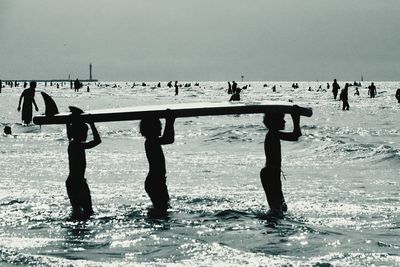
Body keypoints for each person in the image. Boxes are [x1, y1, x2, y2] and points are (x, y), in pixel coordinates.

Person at [261, 109, 302, 217]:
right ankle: (271, 229)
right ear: (275, 122)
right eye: (282, 119)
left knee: (281, 208)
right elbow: (296, 135)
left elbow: (296, 136)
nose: (284, 122)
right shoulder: (272, 134)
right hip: (270, 173)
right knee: (277, 210)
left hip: (273, 172)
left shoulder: (273, 134)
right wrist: (295, 118)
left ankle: (272, 227)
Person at [66, 113, 101, 219]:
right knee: (88, 212)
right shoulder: (77, 146)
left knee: (77, 213)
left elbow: (69, 133)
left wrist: (68, 122)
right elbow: (97, 141)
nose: (86, 135)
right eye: (85, 133)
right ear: (79, 133)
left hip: (72, 182)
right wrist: (92, 124)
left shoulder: (72, 144)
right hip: (78, 182)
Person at [140, 112, 175, 212]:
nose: (160, 128)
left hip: (156, 181)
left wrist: (169, 121)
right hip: (156, 182)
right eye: (159, 126)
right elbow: (169, 139)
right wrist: (170, 121)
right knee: (162, 209)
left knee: (161, 209)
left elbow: (169, 139)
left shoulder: (151, 141)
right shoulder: (151, 141)